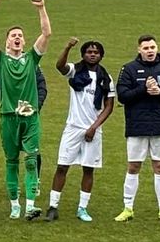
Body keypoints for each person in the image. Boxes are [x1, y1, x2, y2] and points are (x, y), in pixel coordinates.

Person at [0, 0, 52, 220]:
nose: (17, 38)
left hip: (30, 117)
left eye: (20, 36)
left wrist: (41, 8)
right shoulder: (0, 61)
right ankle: (14, 204)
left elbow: (46, 34)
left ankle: (30, 205)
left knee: (31, 160)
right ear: (6, 42)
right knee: (12, 161)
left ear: (24, 41)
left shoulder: (31, 58)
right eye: (13, 35)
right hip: (8, 117)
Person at [47, 38, 115, 222]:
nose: (92, 55)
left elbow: (109, 106)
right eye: (89, 52)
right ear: (83, 54)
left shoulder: (106, 78)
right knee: (62, 166)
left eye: (96, 52)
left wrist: (94, 127)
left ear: (101, 55)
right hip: (73, 127)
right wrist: (67, 47)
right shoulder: (75, 70)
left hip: (93, 130)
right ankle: (53, 207)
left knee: (88, 169)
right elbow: (60, 66)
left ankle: (82, 208)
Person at [115, 35, 160, 223]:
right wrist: (143, 89)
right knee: (134, 166)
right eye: (146, 48)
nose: (150, 51)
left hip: (159, 126)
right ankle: (128, 208)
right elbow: (123, 96)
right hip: (137, 125)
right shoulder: (129, 69)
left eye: (152, 47)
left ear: (157, 48)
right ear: (139, 50)